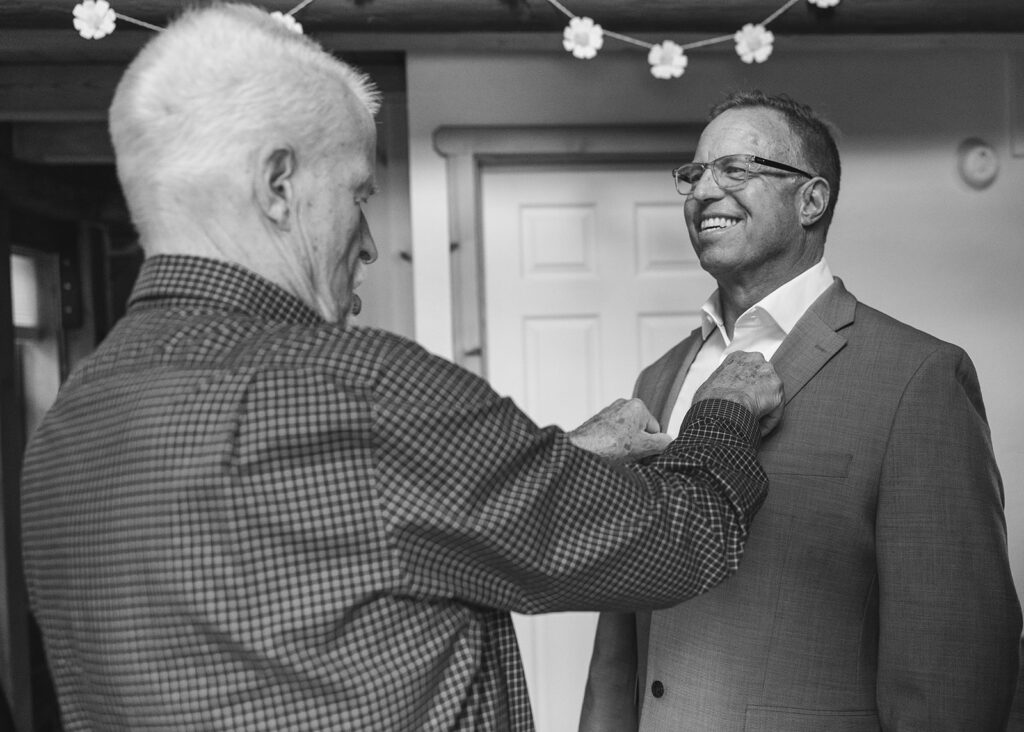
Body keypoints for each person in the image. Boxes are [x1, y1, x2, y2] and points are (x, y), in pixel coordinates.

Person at [19, 7, 786, 731]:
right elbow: (689, 539)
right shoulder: (363, 393)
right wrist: (723, 410)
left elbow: (316, 543)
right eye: (360, 192)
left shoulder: (66, 424)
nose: (370, 243)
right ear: (279, 186)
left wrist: (562, 461)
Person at [580, 90, 1022, 731]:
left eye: (736, 169)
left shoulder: (917, 377)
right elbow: (620, 620)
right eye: (694, 173)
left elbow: (955, 655)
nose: (704, 190)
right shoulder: (658, 378)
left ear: (811, 200)